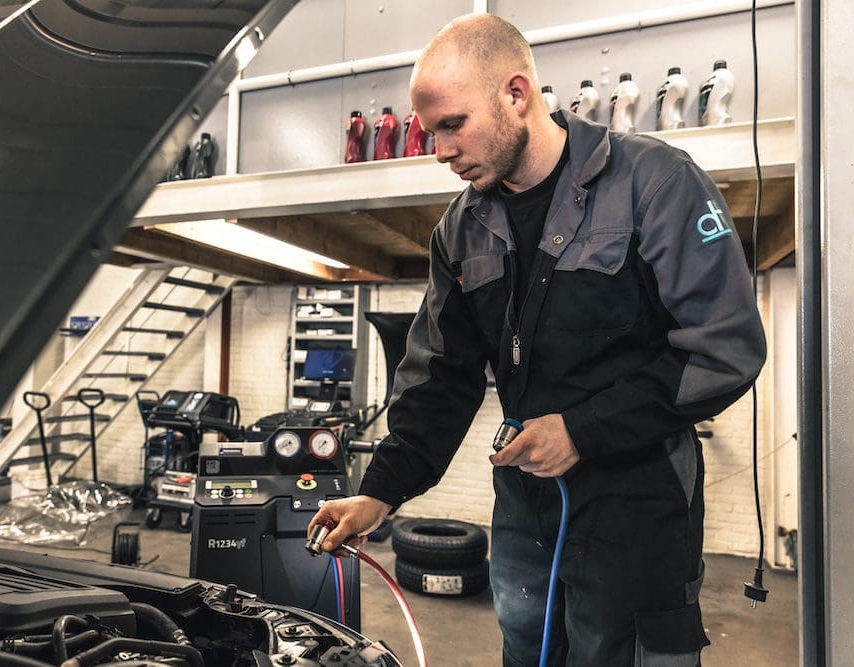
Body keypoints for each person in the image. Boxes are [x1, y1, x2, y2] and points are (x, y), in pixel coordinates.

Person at [308, 13, 765, 667]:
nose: (436, 150)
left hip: (635, 505)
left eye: (452, 125)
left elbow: (725, 347)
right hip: (525, 510)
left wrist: (582, 429)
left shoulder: (653, 184)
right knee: (528, 650)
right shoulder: (461, 230)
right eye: (428, 130)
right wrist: (380, 490)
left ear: (515, 95)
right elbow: (441, 376)